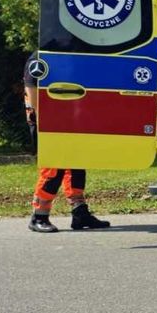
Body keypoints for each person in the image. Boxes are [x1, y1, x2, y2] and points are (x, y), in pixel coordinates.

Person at [23, 52, 110, 233]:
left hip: (70, 119)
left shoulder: (69, 56)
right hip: (47, 122)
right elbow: (32, 89)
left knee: (77, 164)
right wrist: (44, 123)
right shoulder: (40, 58)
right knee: (53, 168)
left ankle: (79, 212)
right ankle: (39, 215)